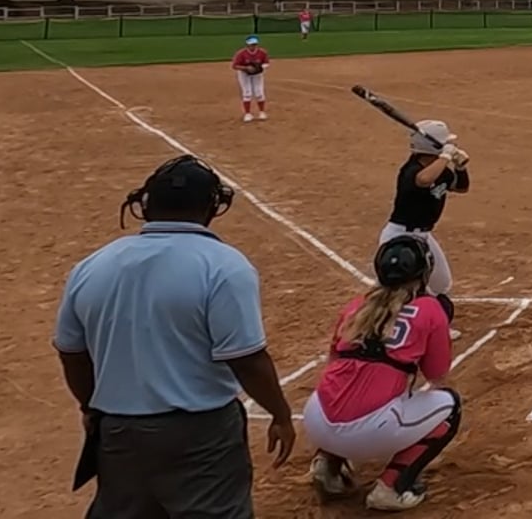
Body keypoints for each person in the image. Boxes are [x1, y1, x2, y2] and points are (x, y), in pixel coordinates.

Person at [54, 155, 295, 518]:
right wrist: (280, 413)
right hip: (202, 435)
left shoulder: (91, 266)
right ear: (211, 207)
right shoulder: (224, 265)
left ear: (146, 205)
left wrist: (92, 407)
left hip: (119, 431)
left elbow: (71, 352)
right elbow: (246, 358)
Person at [303, 236, 462, 511]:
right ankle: (391, 487)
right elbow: (437, 375)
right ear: (424, 271)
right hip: (368, 430)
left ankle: (327, 465)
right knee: (451, 406)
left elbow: (333, 361)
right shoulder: (429, 308)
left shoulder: (357, 306)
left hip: (315, 419)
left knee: (344, 388)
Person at [380, 120, 470, 342]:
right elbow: (423, 180)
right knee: (400, 289)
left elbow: (461, 187)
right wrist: (445, 156)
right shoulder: (411, 171)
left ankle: (435, 326)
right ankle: (385, 328)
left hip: (423, 236)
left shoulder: (441, 170)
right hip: (400, 237)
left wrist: (460, 167)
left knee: (441, 284)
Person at [232, 36, 269, 122]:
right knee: (247, 93)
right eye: (251, 45)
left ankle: (262, 112)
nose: (253, 46)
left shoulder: (262, 53)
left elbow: (266, 63)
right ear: (247, 45)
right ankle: (247, 114)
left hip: (257, 74)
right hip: (244, 74)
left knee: (259, 93)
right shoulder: (241, 54)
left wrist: (260, 67)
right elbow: (235, 66)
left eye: (254, 44)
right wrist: (246, 68)